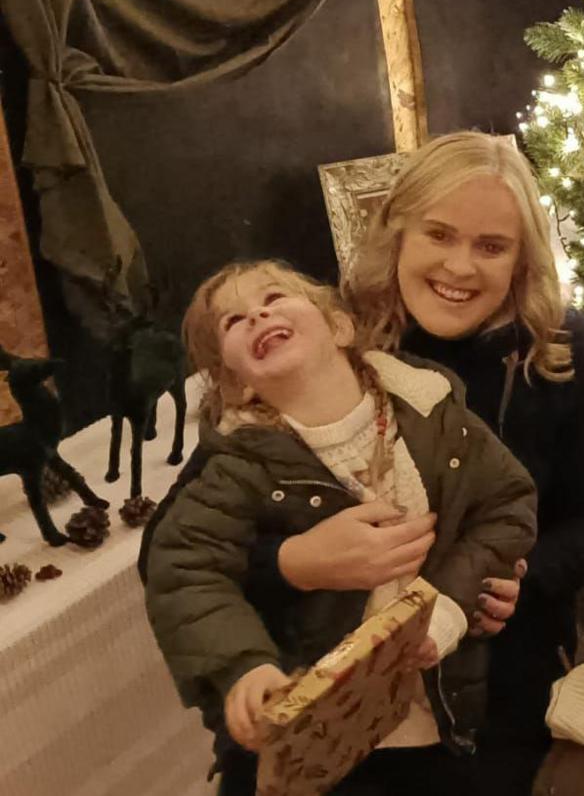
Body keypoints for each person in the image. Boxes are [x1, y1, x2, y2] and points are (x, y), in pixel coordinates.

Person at [140, 132, 584, 794]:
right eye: (439, 234)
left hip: (486, 683)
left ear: (522, 259)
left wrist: (517, 580)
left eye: (491, 246)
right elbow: (170, 551)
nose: (460, 267)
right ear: (397, 231)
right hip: (315, 678)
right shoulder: (317, 338)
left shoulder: (560, 352)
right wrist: (296, 565)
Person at [143, 261, 538, 795]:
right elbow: (183, 568)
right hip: (309, 738)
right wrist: (244, 666)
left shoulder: (436, 417)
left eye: (275, 297)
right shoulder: (238, 467)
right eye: (234, 321)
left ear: (339, 327)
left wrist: (449, 607)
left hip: (436, 718)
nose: (258, 314)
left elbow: (507, 504)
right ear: (235, 384)